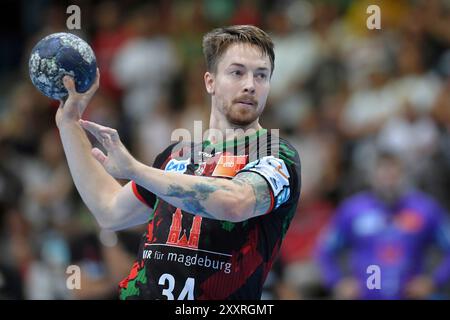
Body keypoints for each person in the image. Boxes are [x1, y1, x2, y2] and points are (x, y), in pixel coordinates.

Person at [55, 25, 301, 300]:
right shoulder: (177, 156)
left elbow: (235, 203)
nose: (250, 85)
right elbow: (110, 211)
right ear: (210, 82)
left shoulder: (275, 154)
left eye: (261, 75)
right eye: (237, 72)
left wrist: (135, 170)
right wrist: (69, 124)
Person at [316, 150, 450, 299]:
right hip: (366, 295)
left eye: (394, 174)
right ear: (372, 176)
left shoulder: (425, 209)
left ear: (405, 176)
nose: (389, 181)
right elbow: (325, 250)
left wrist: (433, 281)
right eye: (383, 174)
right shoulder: (352, 210)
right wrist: (337, 282)